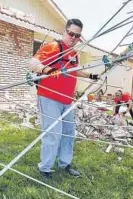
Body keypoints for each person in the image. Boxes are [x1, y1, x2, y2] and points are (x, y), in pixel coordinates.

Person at [28, 19, 99, 179]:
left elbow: (75, 70)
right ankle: (45, 168)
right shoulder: (54, 47)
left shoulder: (73, 53)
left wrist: (91, 75)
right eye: (71, 33)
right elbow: (32, 63)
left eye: (77, 36)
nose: (73, 37)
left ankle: (64, 163)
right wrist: (47, 69)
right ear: (64, 31)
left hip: (67, 101)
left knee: (68, 133)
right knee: (53, 133)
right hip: (49, 98)